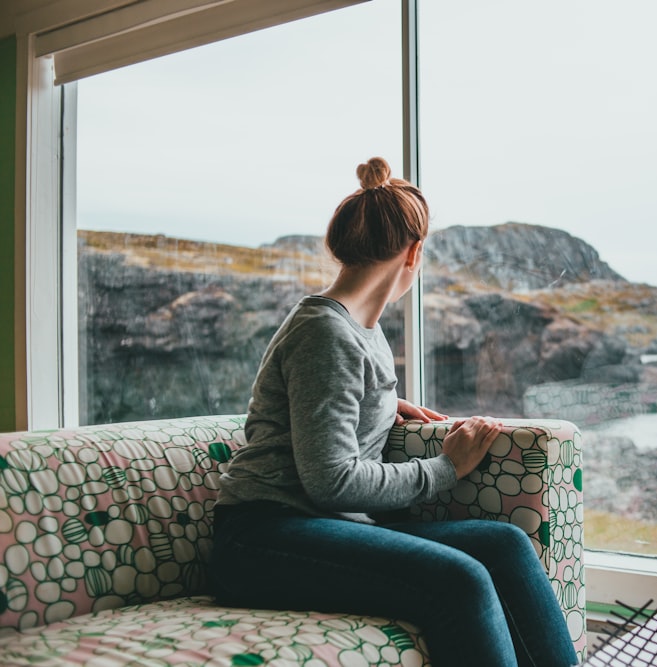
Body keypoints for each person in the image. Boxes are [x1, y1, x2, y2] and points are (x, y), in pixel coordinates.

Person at [210, 157, 578, 667]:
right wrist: (446, 468)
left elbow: (329, 399)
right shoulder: (325, 333)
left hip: (327, 525)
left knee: (505, 545)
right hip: (262, 536)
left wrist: (380, 404)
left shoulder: (359, 329)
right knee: (461, 578)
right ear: (414, 253)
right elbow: (331, 481)